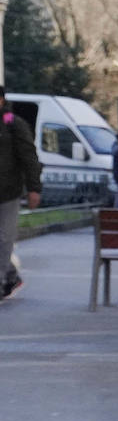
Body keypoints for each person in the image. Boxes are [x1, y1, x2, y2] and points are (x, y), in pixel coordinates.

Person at [0, 82, 42, 301]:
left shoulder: (12, 124)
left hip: (8, 192)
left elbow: (29, 157)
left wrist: (34, 188)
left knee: (4, 239)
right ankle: (10, 276)